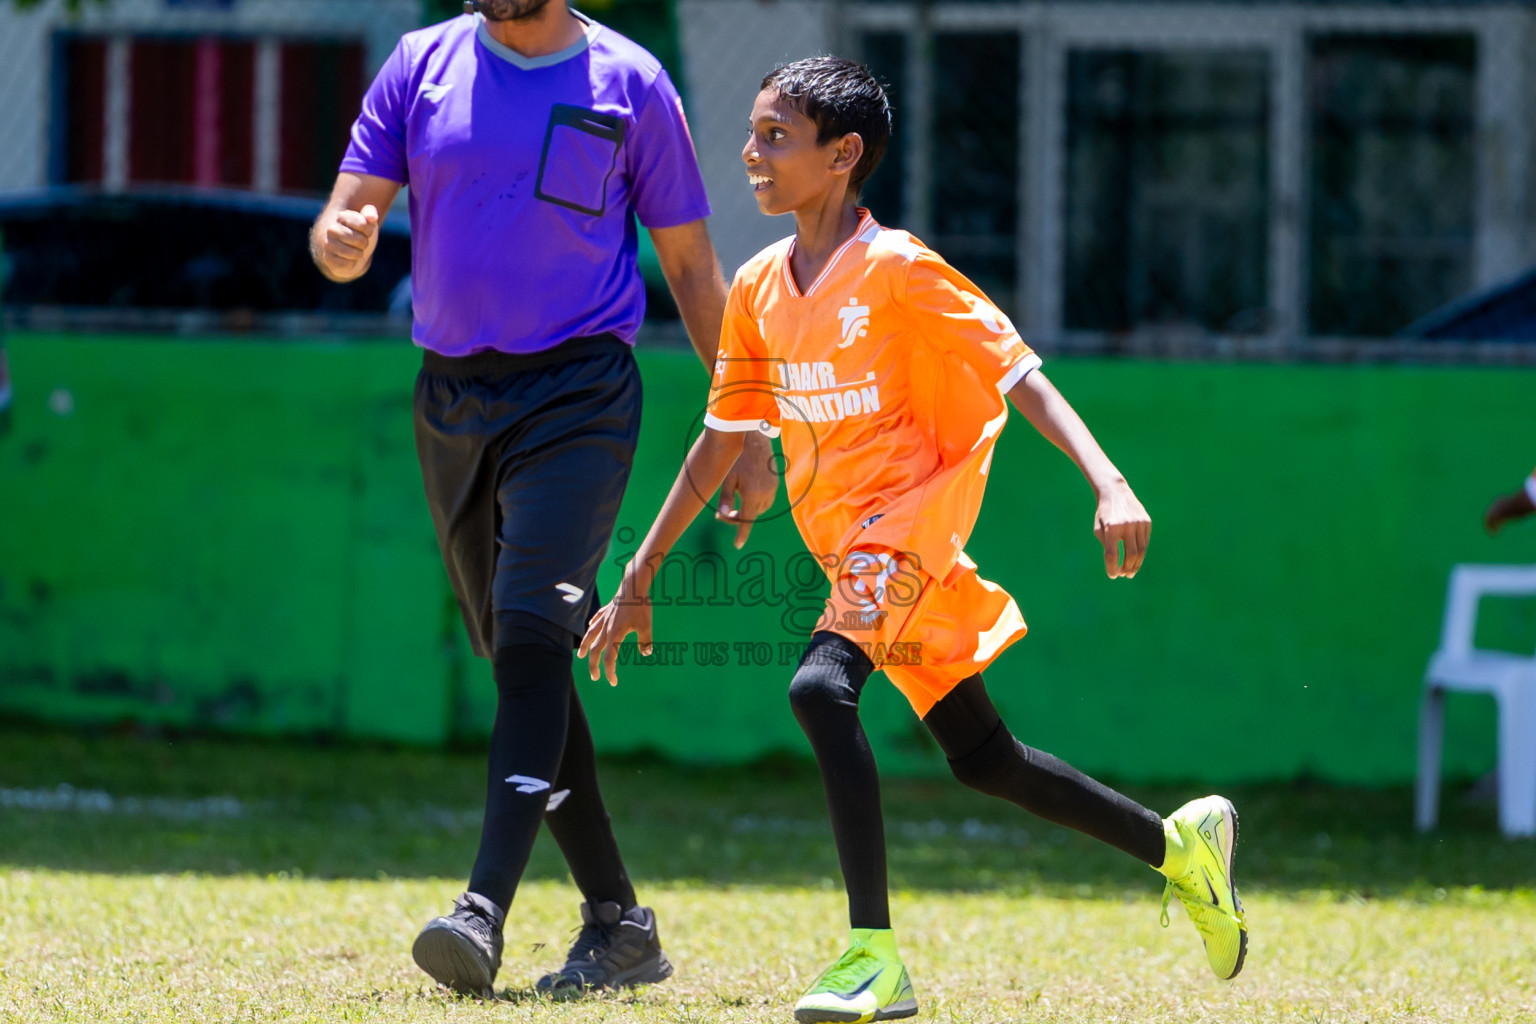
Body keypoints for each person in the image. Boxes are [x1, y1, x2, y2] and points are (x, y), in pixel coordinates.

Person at [579, 57, 1248, 1023]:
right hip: (847, 543)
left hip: (907, 530)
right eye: (755, 131)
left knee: (819, 687)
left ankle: (873, 959)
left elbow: (1016, 370)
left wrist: (1108, 480)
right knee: (985, 758)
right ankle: (1181, 850)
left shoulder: (897, 267)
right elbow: (726, 432)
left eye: (776, 135)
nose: (751, 152)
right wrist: (640, 573)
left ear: (842, 155)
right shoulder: (762, 285)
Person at [309, 0, 776, 1000]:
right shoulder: (417, 65)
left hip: (579, 391)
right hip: (450, 398)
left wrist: (745, 425)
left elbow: (693, 267)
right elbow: (347, 211)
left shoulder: (632, 82)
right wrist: (342, 239)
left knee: (531, 641)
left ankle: (482, 908)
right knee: (526, 665)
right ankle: (619, 922)